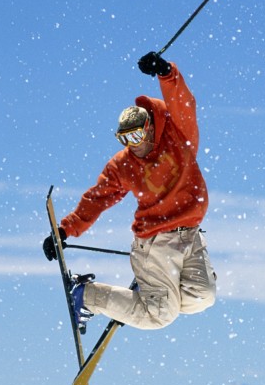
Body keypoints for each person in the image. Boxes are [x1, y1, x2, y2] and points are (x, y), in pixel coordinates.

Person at [43, 51, 217, 331]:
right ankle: (87, 296)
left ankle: (151, 294)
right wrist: (65, 230)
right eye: (125, 139)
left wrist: (165, 71)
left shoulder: (178, 136)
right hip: (155, 242)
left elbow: (184, 103)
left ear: (150, 129)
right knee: (160, 316)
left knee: (203, 296)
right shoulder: (124, 164)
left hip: (190, 234)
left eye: (136, 136)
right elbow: (98, 198)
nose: (133, 145)